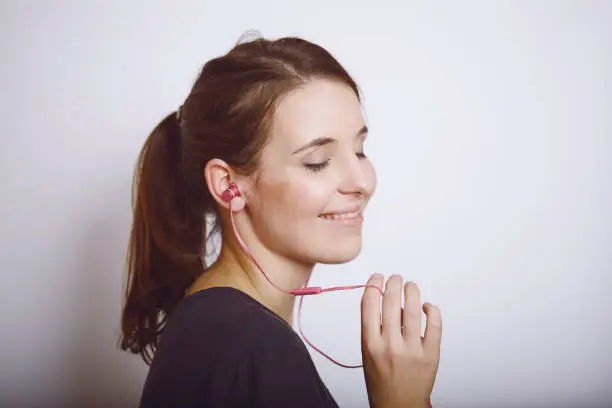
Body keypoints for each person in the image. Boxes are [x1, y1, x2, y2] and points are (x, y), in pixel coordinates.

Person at [119, 34, 442, 408]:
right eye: (317, 161)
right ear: (229, 186)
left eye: (359, 150)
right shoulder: (252, 347)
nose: (362, 183)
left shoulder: (218, 324)